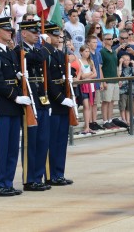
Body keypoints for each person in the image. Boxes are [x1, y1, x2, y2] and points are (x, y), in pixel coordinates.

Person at [0, 17, 27, 196]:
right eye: (6, 29)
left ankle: (7, 182)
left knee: (11, 148)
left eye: (11, 30)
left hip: (13, 106)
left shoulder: (9, 52)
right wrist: (16, 97)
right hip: (2, 104)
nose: (10, 32)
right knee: (0, 148)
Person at [14, 20, 51, 191]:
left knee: (43, 140)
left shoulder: (35, 49)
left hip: (41, 98)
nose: (37, 34)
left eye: (37, 32)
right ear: (23, 34)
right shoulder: (19, 50)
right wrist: (45, 45)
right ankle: (30, 179)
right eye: (33, 32)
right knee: (32, 140)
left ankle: (38, 176)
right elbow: (40, 58)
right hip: (30, 98)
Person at [41, 22, 75, 185]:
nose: (58, 38)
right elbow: (47, 81)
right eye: (54, 35)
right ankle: (50, 175)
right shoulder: (45, 54)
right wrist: (61, 98)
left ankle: (59, 173)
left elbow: (66, 74)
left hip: (63, 102)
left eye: (58, 35)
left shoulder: (60, 54)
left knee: (61, 141)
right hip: (54, 102)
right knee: (52, 140)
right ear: (47, 36)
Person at [99, 32, 119, 129]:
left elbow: (116, 65)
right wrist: (103, 81)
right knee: (106, 101)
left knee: (111, 101)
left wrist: (118, 78)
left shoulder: (114, 51)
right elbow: (100, 68)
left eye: (111, 39)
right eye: (108, 39)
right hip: (107, 79)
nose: (111, 40)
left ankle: (110, 119)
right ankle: (105, 120)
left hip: (114, 79)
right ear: (104, 41)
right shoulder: (102, 52)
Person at [77, 45, 97, 135]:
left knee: (90, 105)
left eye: (88, 51)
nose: (87, 53)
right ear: (81, 52)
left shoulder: (91, 61)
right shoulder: (79, 61)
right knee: (86, 106)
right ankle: (86, 126)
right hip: (84, 86)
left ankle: (88, 126)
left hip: (91, 86)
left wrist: (87, 75)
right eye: (85, 51)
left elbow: (95, 74)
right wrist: (90, 74)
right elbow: (81, 76)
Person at [117, 53, 134, 127]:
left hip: (130, 89)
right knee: (123, 106)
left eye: (128, 60)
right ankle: (124, 119)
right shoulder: (120, 67)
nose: (126, 61)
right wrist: (120, 63)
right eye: (125, 60)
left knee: (128, 107)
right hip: (122, 90)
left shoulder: (131, 68)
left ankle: (128, 120)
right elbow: (118, 74)